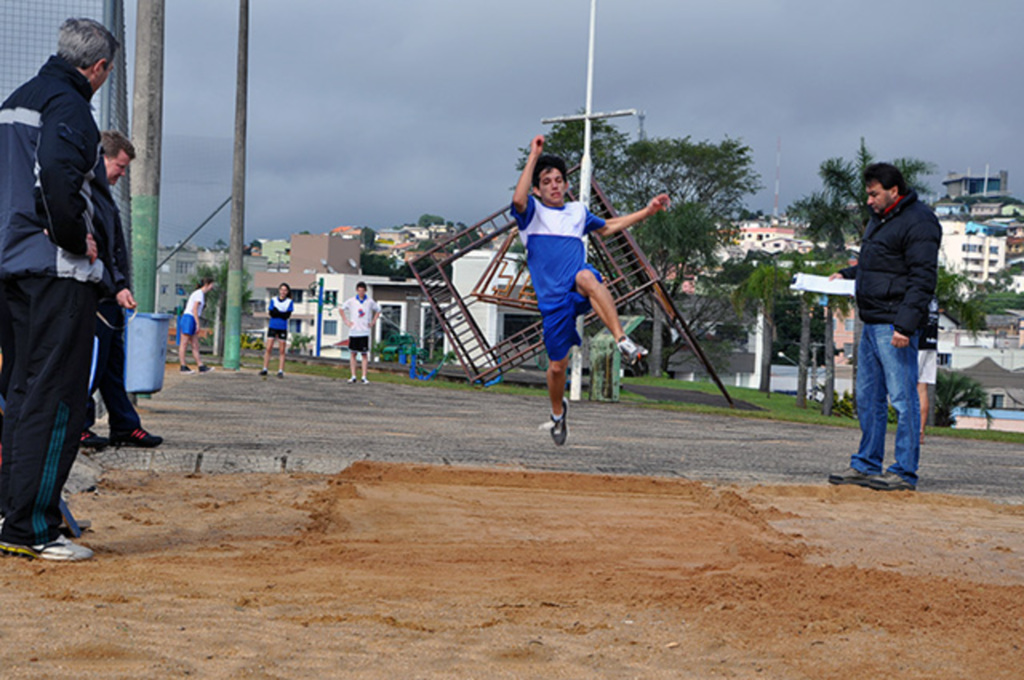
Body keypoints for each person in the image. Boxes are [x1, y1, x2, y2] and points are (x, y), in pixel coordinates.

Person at [0, 18, 123, 561]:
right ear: (97, 69)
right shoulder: (68, 105)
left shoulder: (15, 100)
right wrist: (76, 239)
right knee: (59, 402)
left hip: (13, 268)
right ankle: (32, 527)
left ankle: (15, 512)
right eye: (106, 72)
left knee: (23, 394)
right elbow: (56, 172)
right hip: (56, 272)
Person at [511, 135, 670, 445]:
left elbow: (608, 227)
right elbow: (517, 200)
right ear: (537, 189)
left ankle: (622, 340)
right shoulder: (530, 213)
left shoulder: (578, 212)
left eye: (559, 180)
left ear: (567, 185)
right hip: (553, 303)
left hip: (577, 286)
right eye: (547, 182)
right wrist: (534, 156)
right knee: (557, 368)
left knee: (587, 277)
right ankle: (558, 414)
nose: (555, 185)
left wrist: (647, 211)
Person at [828, 163, 941, 492]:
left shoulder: (920, 221)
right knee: (869, 397)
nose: (869, 200)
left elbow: (922, 279)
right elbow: (876, 264)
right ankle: (866, 464)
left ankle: (904, 470)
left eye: (874, 194)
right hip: (872, 320)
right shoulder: (881, 219)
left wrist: (904, 327)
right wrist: (846, 276)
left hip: (895, 324)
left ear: (894, 191)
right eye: (867, 193)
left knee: (903, 400)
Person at [80, 130, 162, 450]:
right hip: (96, 296)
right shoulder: (87, 196)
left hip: (110, 294)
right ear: (102, 159)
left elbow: (115, 252)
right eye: (120, 166)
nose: (122, 174)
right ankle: (80, 425)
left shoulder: (103, 197)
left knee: (113, 367)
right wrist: (113, 289)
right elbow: (94, 253)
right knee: (91, 366)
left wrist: (122, 286)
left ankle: (125, 425)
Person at [341, 282, 380, 384]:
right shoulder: (352, 301)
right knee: (353, 353)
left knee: (364, 354)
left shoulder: (369, 302)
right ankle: (353, 375)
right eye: (359, 290)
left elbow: (378, 310)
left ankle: (364, 376)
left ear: (365, 291)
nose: (361, 292)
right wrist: (346, 321)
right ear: (357, 291)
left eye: (362, 291)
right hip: (354, 331)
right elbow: (341, 308)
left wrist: (373, 322)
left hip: (364, 331)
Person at [179, 278, 215, 374]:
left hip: (191, 318)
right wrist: (197, 323)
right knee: (184, 343)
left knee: (195, 344)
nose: (212, 287)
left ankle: (200, 365)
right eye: (212, 285)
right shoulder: (199, 294)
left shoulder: (199, 294)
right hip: (189, 318)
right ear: (207, 284)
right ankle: (183, 366)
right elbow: (194, 309)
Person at [918, 296, 939, 443]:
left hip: (917, 342)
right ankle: (920, 430)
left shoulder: (916, 288)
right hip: (931, 342)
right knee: (922, 387)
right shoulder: (931, 293)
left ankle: (911, 429)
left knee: (909, 386)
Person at [260, 283, 293, 378]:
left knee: (282, 350)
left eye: (285, 290)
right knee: (268, 348)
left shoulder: (289, 302)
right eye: (282, 290)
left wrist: (278, 312)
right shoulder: (274, 300)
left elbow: (287, 316)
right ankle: (265, 368)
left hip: (282, 327)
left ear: (287, 292)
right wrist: (280, 313)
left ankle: (280, 370)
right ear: (279, 290)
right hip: (273, 326)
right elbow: (272, 313)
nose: (283, 292)